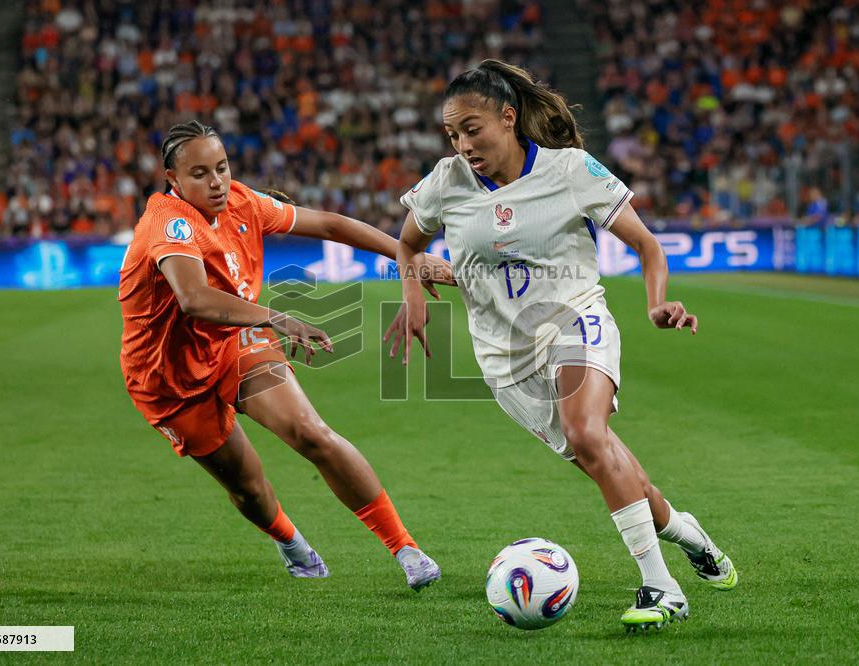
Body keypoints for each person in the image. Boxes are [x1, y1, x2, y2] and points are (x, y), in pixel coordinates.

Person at [387, 60, 738, 628]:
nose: (463, 145)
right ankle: (690, 535)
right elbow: (408, 245)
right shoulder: (446, 182)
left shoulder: (570, 169)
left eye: (472, 129)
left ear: (508, 118)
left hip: (576, 321)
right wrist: (414, 292)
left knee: (587, 434)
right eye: (452, 134)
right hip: (505, 361)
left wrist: (655, 303)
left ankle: (661, 587)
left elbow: (648, 246)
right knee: (610, 466)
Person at [119, 120, 451, 590]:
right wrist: (277, 317)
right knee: (248, 487)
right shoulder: (168, 223)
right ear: (173, 179)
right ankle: (290, 540)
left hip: (233, 340)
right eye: (200, 173)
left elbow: (331, 225)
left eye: (222, 167)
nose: (216, 182)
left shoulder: (242, 201)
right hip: (167, 379)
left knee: (311, 432)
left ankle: (407, 550)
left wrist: (408, 257)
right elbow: (193, 298)